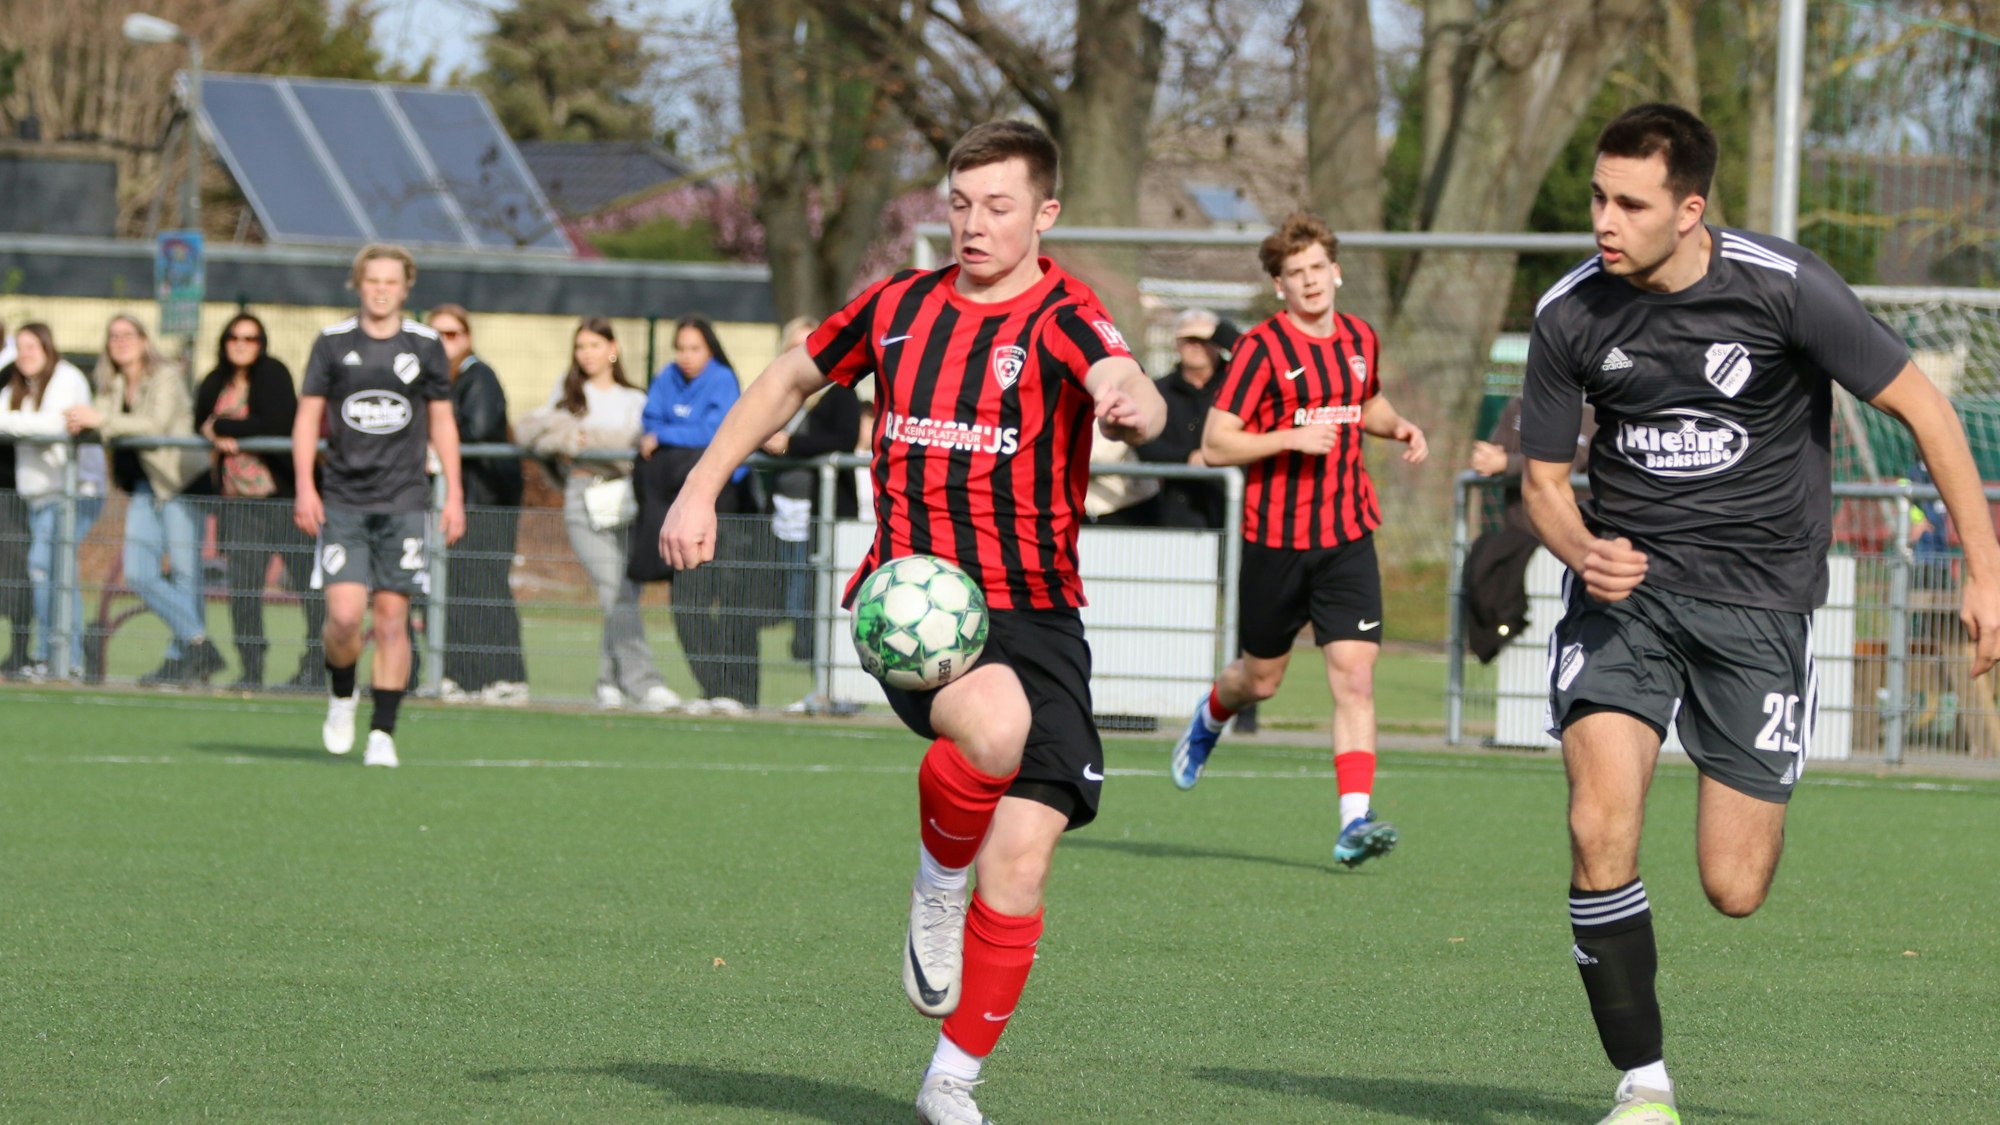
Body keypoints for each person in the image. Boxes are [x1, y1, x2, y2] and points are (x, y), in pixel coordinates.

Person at [661, 119, 1166, 1125]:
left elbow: (1122, 377)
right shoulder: (897, 308)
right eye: (959, 203)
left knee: (1020, 862)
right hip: (916, 607)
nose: (973, 225)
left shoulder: (1065, 313)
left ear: (1043, 214)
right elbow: (786, 380)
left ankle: (950, 1080)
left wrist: (1129, 406)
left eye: (998, 206)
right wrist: (699, 486)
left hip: (1041, 615)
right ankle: (939, 875)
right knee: (992, 727)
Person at [1518, 104, 2000, 1125]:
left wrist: (1982, 569)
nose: (1602, 219)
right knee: (1596, 822)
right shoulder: (1568, 313)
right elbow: (1543, 483)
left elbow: (1926, 409)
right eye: (1598, 197)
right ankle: (1641, 1084)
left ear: (1688, 210)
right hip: (1626, 602)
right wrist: (1578, 550)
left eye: (1628, 203)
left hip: (1758, 604)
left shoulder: (1784, 288)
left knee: (1732, 887)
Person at [1167, 211, 1428, 870]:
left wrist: (1398, 428)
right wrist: (1287, 437)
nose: (1310, 282)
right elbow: (1215, 441)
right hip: (1277, 541)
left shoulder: (1361, 337)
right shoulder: (1260, 351)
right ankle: (1209, 716)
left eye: (1318, 269)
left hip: (1347, 535)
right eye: (1295, 274)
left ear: (1335, 271)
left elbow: (1363, 403)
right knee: (1262, 678)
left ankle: (1353, 821)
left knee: (1356, 677)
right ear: (1279, 287)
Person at [293, 244, 465, 768]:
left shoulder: (426, 345)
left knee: (392, 619)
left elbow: (441, 422)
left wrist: (453, 493)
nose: (382, 289)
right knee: (344, 618)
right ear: (359, 284)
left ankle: (383, 732)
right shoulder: (331, 343)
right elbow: (306, 420)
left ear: (406, 288)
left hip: (406, 500)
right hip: (344, 500)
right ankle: (342, 693)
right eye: (373, 280)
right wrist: (305, 485)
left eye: (392, 281)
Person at [517, 317, 679, 713]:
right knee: (615, 590)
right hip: (581, 498)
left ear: (613, 348)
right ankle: (645, 683)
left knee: (624, 594)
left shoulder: (634, 399)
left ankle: (609, 681)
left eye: (593, 345)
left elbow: (635, 445)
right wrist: (572, 438)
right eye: (580, 346)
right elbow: (531, 431)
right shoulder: (568, 392)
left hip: (624, 501)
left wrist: (591, 440)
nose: (586, 354)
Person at [66, 315, 224, 686]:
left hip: (180, 481)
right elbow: (103, 426)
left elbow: (154, 425)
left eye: (127, 334)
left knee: (186, 574)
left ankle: (180, 659)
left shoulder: (166, 375)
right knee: (139, 572)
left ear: (143, 339)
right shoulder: (111, 384)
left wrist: (98, 419)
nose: (120, 341)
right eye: (113, 336)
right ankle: (200, 645)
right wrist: (83, 422)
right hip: (144, 485)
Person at [194, 313, 317, 691]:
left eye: (251, 338)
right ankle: (252, 669)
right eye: (234, 337)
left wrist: (225, 427)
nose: (241, 344)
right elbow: (199, 420)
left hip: (283, 500)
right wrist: (212, 429)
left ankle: (315, 667)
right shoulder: (215, 381)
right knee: (244, 591)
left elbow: (277, 422)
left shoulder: (273, 373)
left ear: (262, 343)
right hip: (240, 505)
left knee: (311, 590)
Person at [647, 314, 758, 714]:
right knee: (686, 601)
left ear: (709, 349)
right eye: (681, 348)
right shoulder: (666, 378)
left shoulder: (723, 379)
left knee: (729, 596)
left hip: (724, 502)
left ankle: (740, 692)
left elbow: (716, 433)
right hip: (681, 503)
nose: (686, 356)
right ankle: (712, 689)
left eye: (695, 348)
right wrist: (670, 431)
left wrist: (666, 436)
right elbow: (649, 417)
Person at [428, 304, 528, 705]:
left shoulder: (478, 377)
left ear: (467, 338)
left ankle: (506, 675)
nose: (443, 342)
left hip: (486, 498)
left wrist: (433, 439)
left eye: (452, 334)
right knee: (452, 584)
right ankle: (463, 674)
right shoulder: (433, 381)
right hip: (451, 497)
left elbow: (480, 429)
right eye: (435, 335)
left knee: (487, 584)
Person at [0, 323, 107, 678]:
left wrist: (15, 422)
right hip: (39, 496)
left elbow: (57, 426)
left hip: (75, 492)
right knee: (53, 572)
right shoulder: (18, 387)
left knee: (47, 567)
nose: (26, 354)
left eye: (34, 346)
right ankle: (58, 657)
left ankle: (63, 658)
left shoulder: (67, 377)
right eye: (21, 347)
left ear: (48, 348)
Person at [759, 316, 862, 668]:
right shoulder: (776, 395)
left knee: (819, 601)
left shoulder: (840, 394)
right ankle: (814, 681)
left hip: (824, 511)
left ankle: (829, 685)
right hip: (781, 513)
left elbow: (843, 440)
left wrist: (791, 443)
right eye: (793, 348)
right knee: (794, 603)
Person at [1461, 395, 1596, 663]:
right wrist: (1490, 459)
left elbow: (1571, 462)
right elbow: (1493, 454)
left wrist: (1508, 464)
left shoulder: (1591, 412)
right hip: (1521, 530)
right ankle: (1501, 629)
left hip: (1572, 535)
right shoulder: (1519, 405)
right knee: (1486, 560)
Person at [1136, 307, 1238, 530]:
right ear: (1176, 344)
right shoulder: (1158, 390)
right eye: (1188, 339)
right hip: (1176, 508)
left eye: (1205, 339)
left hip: (1228, 505)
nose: (1196, 346)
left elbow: (1255, 357)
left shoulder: (1236, 387)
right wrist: (1189, 458)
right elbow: (1144, 442)